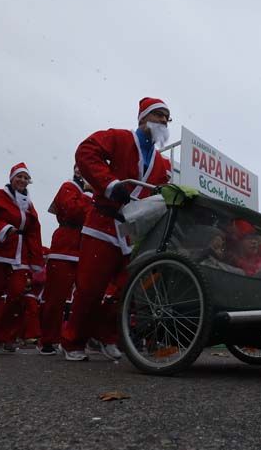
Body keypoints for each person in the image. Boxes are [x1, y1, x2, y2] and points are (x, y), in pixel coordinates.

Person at [61, 98, 175, 362]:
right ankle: (72, 340)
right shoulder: (119, 138)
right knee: (90, 287)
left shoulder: (161, 162)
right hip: (101, 223)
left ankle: (106, 335)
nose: (162, 121)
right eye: (158, 115)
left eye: (166, 118)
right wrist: (109, 183)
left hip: (129, 231)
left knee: (127, 288)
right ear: (143, 117)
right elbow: (86, 151)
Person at [0, 163, 42, 353]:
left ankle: (6, 336)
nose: (22, 180)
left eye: (26, 178)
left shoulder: (29, 204)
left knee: (18, 295)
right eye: (19, 177)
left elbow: (34, 232)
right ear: (11, 178)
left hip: (19, 255)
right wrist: (4, 229)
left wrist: (35, 260)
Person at [40, 168, 93, 355]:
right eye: (78, 167)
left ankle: (75, 338)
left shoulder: (96, 192)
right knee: (56, 298)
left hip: (86, 247)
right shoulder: (68, 187)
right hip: (64, 248)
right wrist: (87, 194)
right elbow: (74, 212)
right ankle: (49, 340)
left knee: (84, 298)